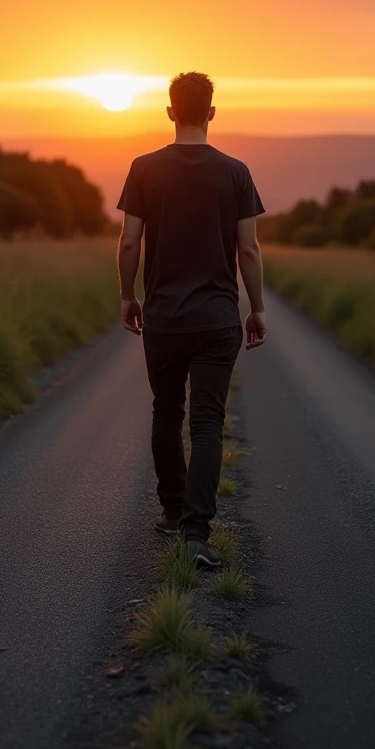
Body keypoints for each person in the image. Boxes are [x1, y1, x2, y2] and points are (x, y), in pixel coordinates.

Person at [117, 72, 266, 567]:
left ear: (169, 111)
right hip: (217, 317)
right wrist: (257, 307)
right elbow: (247, 247)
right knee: (207, 422)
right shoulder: (235, 172)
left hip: (163, 317)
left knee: (166, 413)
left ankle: (171, 511)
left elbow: (130, 241)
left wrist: (127, 296)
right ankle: (196, 532)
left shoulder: (143, 168)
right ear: (212, 113)